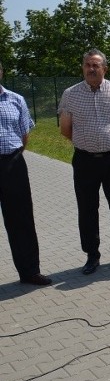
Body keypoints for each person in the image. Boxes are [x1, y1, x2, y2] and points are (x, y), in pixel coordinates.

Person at [59, 48, 110, 275]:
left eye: (96, 65)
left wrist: (108, 141)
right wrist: (88, 143)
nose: (91, 69)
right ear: (83, 68)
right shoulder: (70, 94)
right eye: (87, 65)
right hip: (85, 160)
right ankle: (92, 256)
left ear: (105, 68)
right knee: (87, 208)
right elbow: (65, 129)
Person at [0, 61, 51, 286]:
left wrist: (14, 156)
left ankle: (30, 271)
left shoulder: (15, 99)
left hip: (13, 163)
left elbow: (24, 134)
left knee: (21, 220)